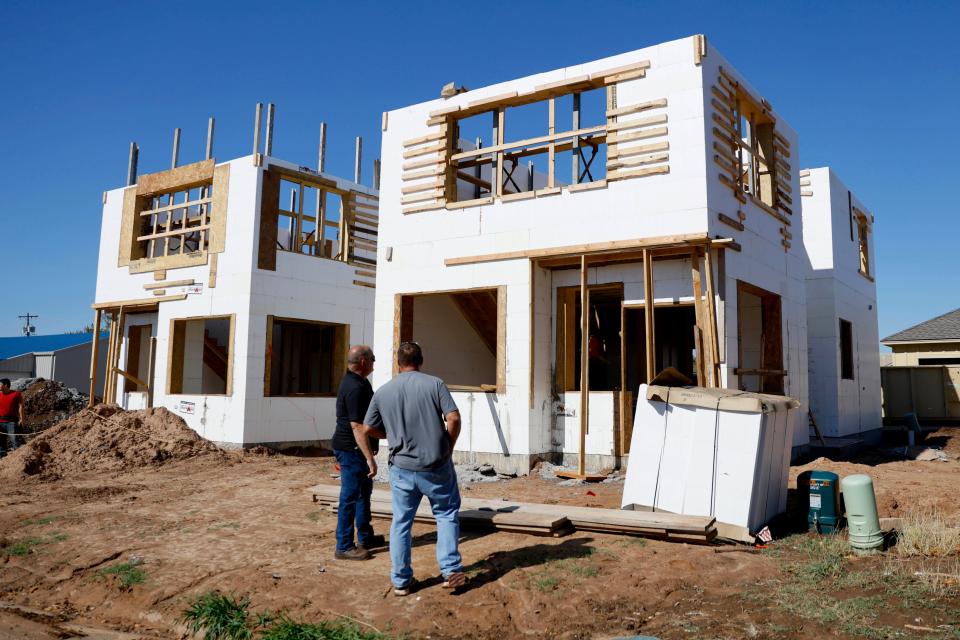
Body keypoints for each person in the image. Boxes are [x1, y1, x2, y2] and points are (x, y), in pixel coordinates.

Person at [361, 342, 466, 596]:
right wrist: (447, 447)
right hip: (436, 466)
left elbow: (367, 428)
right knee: (446, 514)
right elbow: (453, 418)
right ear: (421, 361)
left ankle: (401, 581)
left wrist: (390, 434)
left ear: (398, 363)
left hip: (401, 467)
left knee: (401, 522)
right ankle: (451, 571)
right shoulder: (435, 384)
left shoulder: (384, 391)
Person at [330, 345, 385, 561]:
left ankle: (365, 537)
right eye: (372, 358)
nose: (374, 362)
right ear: (363, 361)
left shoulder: (359, 382)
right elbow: (357, 426)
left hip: (357, 450)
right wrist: (370, 458)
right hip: (351, 450)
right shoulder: (354, 387)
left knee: (363, 494)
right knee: (350, 497)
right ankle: (343, 546)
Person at [0, 378, 25, 457]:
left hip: (11, 422)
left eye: (0, 384)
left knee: (14, 440)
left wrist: (22, 419)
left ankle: (18, 458)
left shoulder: (16, 394)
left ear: (6, 385)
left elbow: (21, 406)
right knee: (0, 441)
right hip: (0, 421)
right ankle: (2, 456)